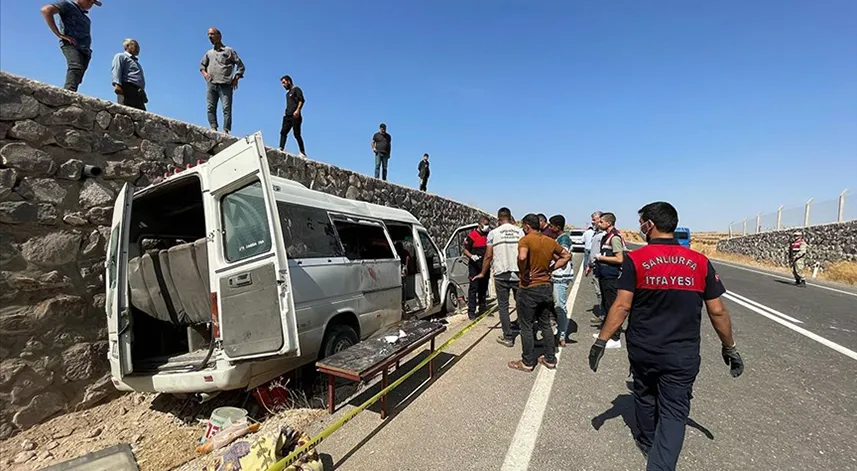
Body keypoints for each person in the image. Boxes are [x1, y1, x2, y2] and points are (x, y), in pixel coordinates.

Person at [589, 201, 744, 470]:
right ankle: (661, 458)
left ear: (650, 225)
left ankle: (648, 443)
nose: (639, 228)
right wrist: (729, 346)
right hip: (681, 353)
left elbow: (622, 305)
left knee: (645, 394)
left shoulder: (636, 260)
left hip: (644, 348)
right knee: (675, 411)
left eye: (641, 223)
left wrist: (601, 341)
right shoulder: (699, 262)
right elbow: (717, 311)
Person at [508, 214, 571, 371]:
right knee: (545, 324)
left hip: (528, 287)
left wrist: (523, 272)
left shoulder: (526, 240)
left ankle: (527, 362)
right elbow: (566, 256)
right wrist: (550, 269)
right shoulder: (549, 241)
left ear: (527, 226)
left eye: (523, 227)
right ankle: (550, 359)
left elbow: (522, 257)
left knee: (526, 326)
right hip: (545, 286)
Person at [473, 207, 524, 347]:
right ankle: (523, 329)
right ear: (510, 216)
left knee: (503, 306)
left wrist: (483, 272)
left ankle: (508, 337)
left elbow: (488, 255)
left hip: (501, 274)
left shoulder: (493, 234)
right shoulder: (520, 232)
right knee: (520, 303)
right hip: (518, 273)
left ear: (499, 219)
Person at [40, 0, 102, 92]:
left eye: (93, 3)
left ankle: (72, 91)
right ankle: (68, 94)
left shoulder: (86, 18)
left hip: (85, 50)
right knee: (75, 67)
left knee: (78, 74)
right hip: (71, 44)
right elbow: (46, 10)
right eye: (90, 1)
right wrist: (59, 34)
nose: (91, 4)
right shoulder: (68, 5)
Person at [200, 27, 245, 134]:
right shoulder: (209, 53)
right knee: (210, 107)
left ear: (219, 36)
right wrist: (205, 74)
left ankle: (226, 130)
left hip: (225, 84)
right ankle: (213, 127)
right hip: (212, 84)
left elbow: (241, 66)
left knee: (226, 108)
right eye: (208, 35)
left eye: (212, 34)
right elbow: (202, 66)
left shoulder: (229, 51)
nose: (210, 37)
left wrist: (236, 78)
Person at [592, 212, 624, 348]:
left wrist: (601, 258)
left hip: (611, 277)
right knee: (606, 304)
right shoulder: (606, 236)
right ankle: (605, 333)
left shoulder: (614, 238)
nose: (598, 224)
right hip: (604, 275)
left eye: (601, 222)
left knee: (612, 306)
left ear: (609, 223)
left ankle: (615, 337)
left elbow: (619, 258)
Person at [549, 215, 575, 346]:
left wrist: (549, 251)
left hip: (561, 276)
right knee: (557, 305)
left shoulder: (563, 239)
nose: (550, 227)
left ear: (557, 227)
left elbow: (564, 256)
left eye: (551, 225)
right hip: (557, 275)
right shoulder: (559, 238)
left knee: (560, 306)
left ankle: (562, 335)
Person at [462, 216, 491, 320]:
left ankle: (483, 307)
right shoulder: (472, 236)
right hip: (474, 266)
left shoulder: (488, 235)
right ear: (479, 224)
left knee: (483, 287)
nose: (487, 227)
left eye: (488, 224)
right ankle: (471, 311)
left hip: (485, 265)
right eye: (485, 224)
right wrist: (471, 256)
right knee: (474, 288)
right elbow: (465, 250)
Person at [111, 39, 147, 110]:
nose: (138, 49)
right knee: (126, 111)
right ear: (127, 46)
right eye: (135, 46)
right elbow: (117, 69)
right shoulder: (121, 56)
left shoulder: (136, 63)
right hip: (127, 88)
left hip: (138, 93)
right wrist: (117, 84)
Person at [278, 75, 306, 156]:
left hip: (295, 115)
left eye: (284, 83)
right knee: (283, 132)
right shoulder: (287, 94)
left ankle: (302, 152)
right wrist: (285, 112)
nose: (283, 85)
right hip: (287, 116)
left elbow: (301, 100)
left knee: (296, 134)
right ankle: (281, 147)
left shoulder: (296, 90)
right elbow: (289, 104)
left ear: (288, 81)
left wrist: (298, 110)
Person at [585, 211, 604, 324]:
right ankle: (603, 315)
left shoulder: (604, 235)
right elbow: (592, 251)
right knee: (599, 292)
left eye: (595, 220)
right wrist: (589, 264)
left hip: (602, 267)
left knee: (602, 292)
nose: (593, 222)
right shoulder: (596, 233)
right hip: (595, 266)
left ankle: (604, 316)